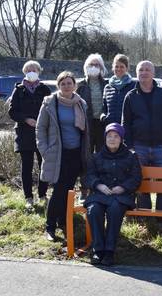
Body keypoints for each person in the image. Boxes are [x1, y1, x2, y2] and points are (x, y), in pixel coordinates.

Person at [36, 71, 90, 241]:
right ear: (58, 85)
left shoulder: (81, 103)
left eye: (69, 83)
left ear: (75, 85)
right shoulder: (50, 103)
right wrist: (44, 150)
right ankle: (50, 226)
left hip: (76, 153)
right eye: (63, 83)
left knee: (69, 190)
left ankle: (63, 221)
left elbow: (85, 131)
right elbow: (40, 128)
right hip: (58, 153)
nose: (66, 86)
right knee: (59, 189)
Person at [121, 60, 162, 210]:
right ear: (136, 73)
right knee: (141, 180)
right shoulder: (130, 96)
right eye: (141, 70)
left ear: (153, 73)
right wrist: (130, 147)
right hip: (139, 146)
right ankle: (145, 214)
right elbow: (125, 124)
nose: (144, 73)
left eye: (147, 70)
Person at [85, 123, 142, 266]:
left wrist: (123, 187)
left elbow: (136, 177)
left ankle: (109, 251)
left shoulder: (130, 156)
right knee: (94, 210)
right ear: (105, 138)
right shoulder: (96, 156)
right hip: (100, 194)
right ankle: (98, 250)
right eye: (109, 136)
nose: (112, 139)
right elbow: (88, 176)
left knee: (115, 209)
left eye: (116, 136)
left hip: (121, 196)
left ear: (121, 139)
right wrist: (99, 185)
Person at [8, 60, 51, 208]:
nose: (31, 71)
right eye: (28, 69)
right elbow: (12, 111)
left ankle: (42, 195)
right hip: (24, 133)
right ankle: (28, 198)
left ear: (39, 71)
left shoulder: (45, 89)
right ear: (25, 72)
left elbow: (51, 109)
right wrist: (26, 119)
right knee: (26, 166)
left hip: (42, 133)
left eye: (34, 69)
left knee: (43, 165)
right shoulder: (18, 90)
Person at [77, 53, 108, 201]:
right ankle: (84, 190)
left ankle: (100, 189)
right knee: (86, 158)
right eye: (91, 65)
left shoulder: (107, 84)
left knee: (103, 158)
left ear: (101, 67)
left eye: (97, 65)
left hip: (102, 125)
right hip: (86, 126)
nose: (94, 68)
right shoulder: (80, 85)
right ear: (86, 67)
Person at [101, 54, 135, 126]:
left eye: (122, 67)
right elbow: (104, 108)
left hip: (127, 128)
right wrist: (103, 117)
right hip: (111, 128)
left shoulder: (133, 86)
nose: (119, 69)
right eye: (116, 66)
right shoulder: (107, 87)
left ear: (127, 68)